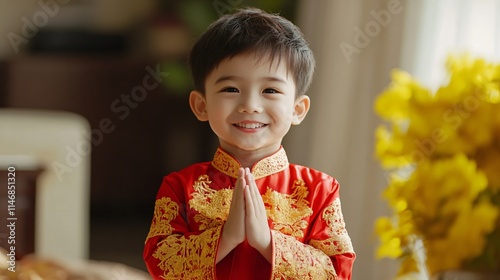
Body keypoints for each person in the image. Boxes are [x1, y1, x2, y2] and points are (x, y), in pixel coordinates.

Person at [143, 7, 355, 280]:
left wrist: (268, 243)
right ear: (201, 105)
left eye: (270, 90)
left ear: (298, 109)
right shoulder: (180, 186)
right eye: (231, 89)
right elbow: (160, 262)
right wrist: (225, 238)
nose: (250, 106)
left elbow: (337, 272)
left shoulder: (320, 190)